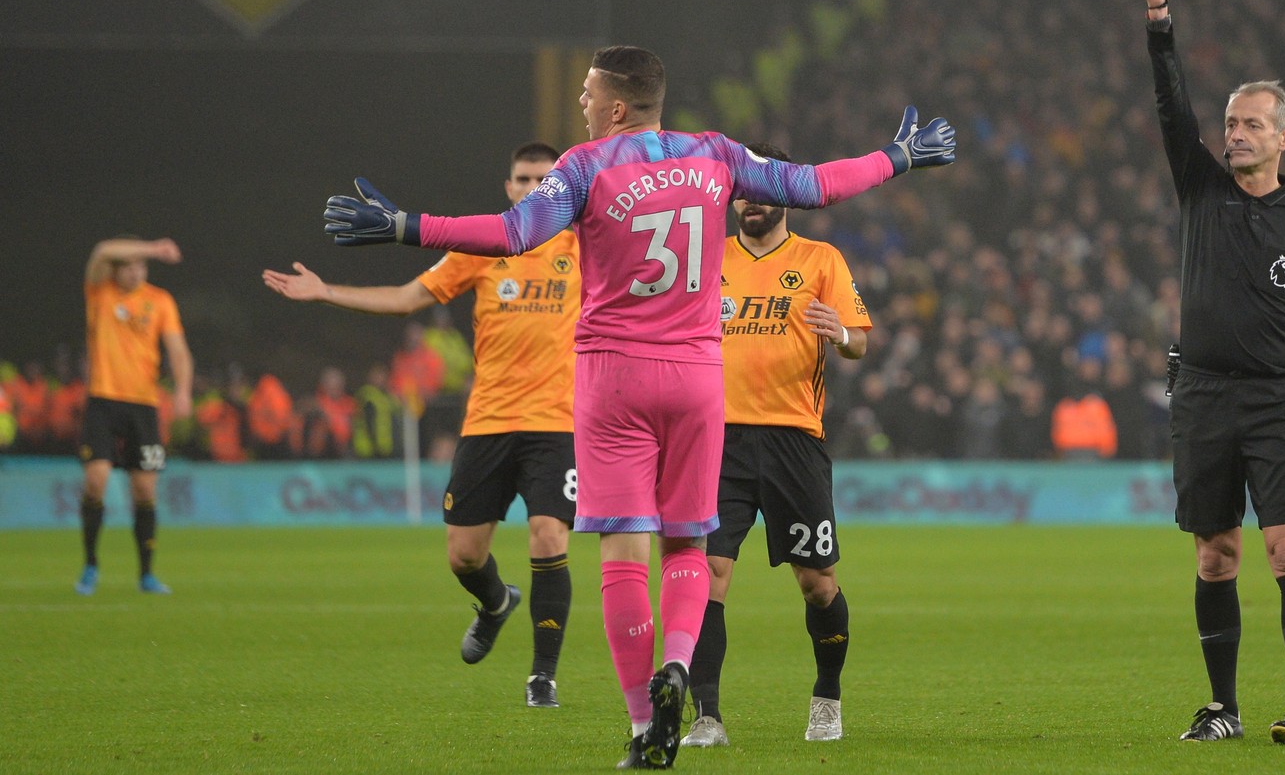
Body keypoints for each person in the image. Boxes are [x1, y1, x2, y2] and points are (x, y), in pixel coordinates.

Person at [319, 45, 955, 769]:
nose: (582, 104)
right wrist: (898, 156)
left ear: (617, 105)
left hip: (613, 378)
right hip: (696, 379)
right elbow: (816, 184)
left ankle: (643, 727)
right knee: (688, 544)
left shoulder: (587, 168)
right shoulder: (715, 153)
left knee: (624, 556)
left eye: (589, 93)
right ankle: (679, 663)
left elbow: (511, 234)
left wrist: (409, 224)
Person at [266, 142, 580, 707]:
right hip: (487, 422)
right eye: (522, 179)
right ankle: (495, 603)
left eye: (544, 180)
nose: (532, 189)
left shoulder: (587, 249)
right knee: (463, 555)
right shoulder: (485, 247)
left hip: (558, 422)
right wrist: (325, 292)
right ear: (507, 188)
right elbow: (408, 296)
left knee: (549, 536)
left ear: (559, 190)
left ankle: (542, 677)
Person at [1140, 0, 1285, 745]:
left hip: (1281, 398)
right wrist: (1161, 26)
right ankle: (1221, 707)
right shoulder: (1200, 186)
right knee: (1215, 554)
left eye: (1251, 123)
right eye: (1230, 122)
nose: (1234, 132)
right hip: (1201, 395)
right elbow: (1171, 111)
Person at [676, 143, 870, 749]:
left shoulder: (819, 259)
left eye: (763, 191)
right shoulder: (707, 260)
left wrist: (839, 331)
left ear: (786, 194)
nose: (751, 202)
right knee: (708, 573)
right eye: (743, 192)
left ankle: (827, 699)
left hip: (794, 439)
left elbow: (859, 341)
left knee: (817, 582)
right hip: (718, 440)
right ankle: (706, 717)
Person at [76, 237, 194, 596]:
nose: (136, 270)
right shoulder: (100, 291)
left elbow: (178, 349)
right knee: (96, 479)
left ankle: (146, 574)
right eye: (129, 264)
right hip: (103, 400)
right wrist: (153, 248)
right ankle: (91, 565)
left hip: (143, 406)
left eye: (141, 266)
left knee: (144, 489)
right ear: (117, 268)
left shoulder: (160, 301)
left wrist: (183, 390)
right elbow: (100, 251)